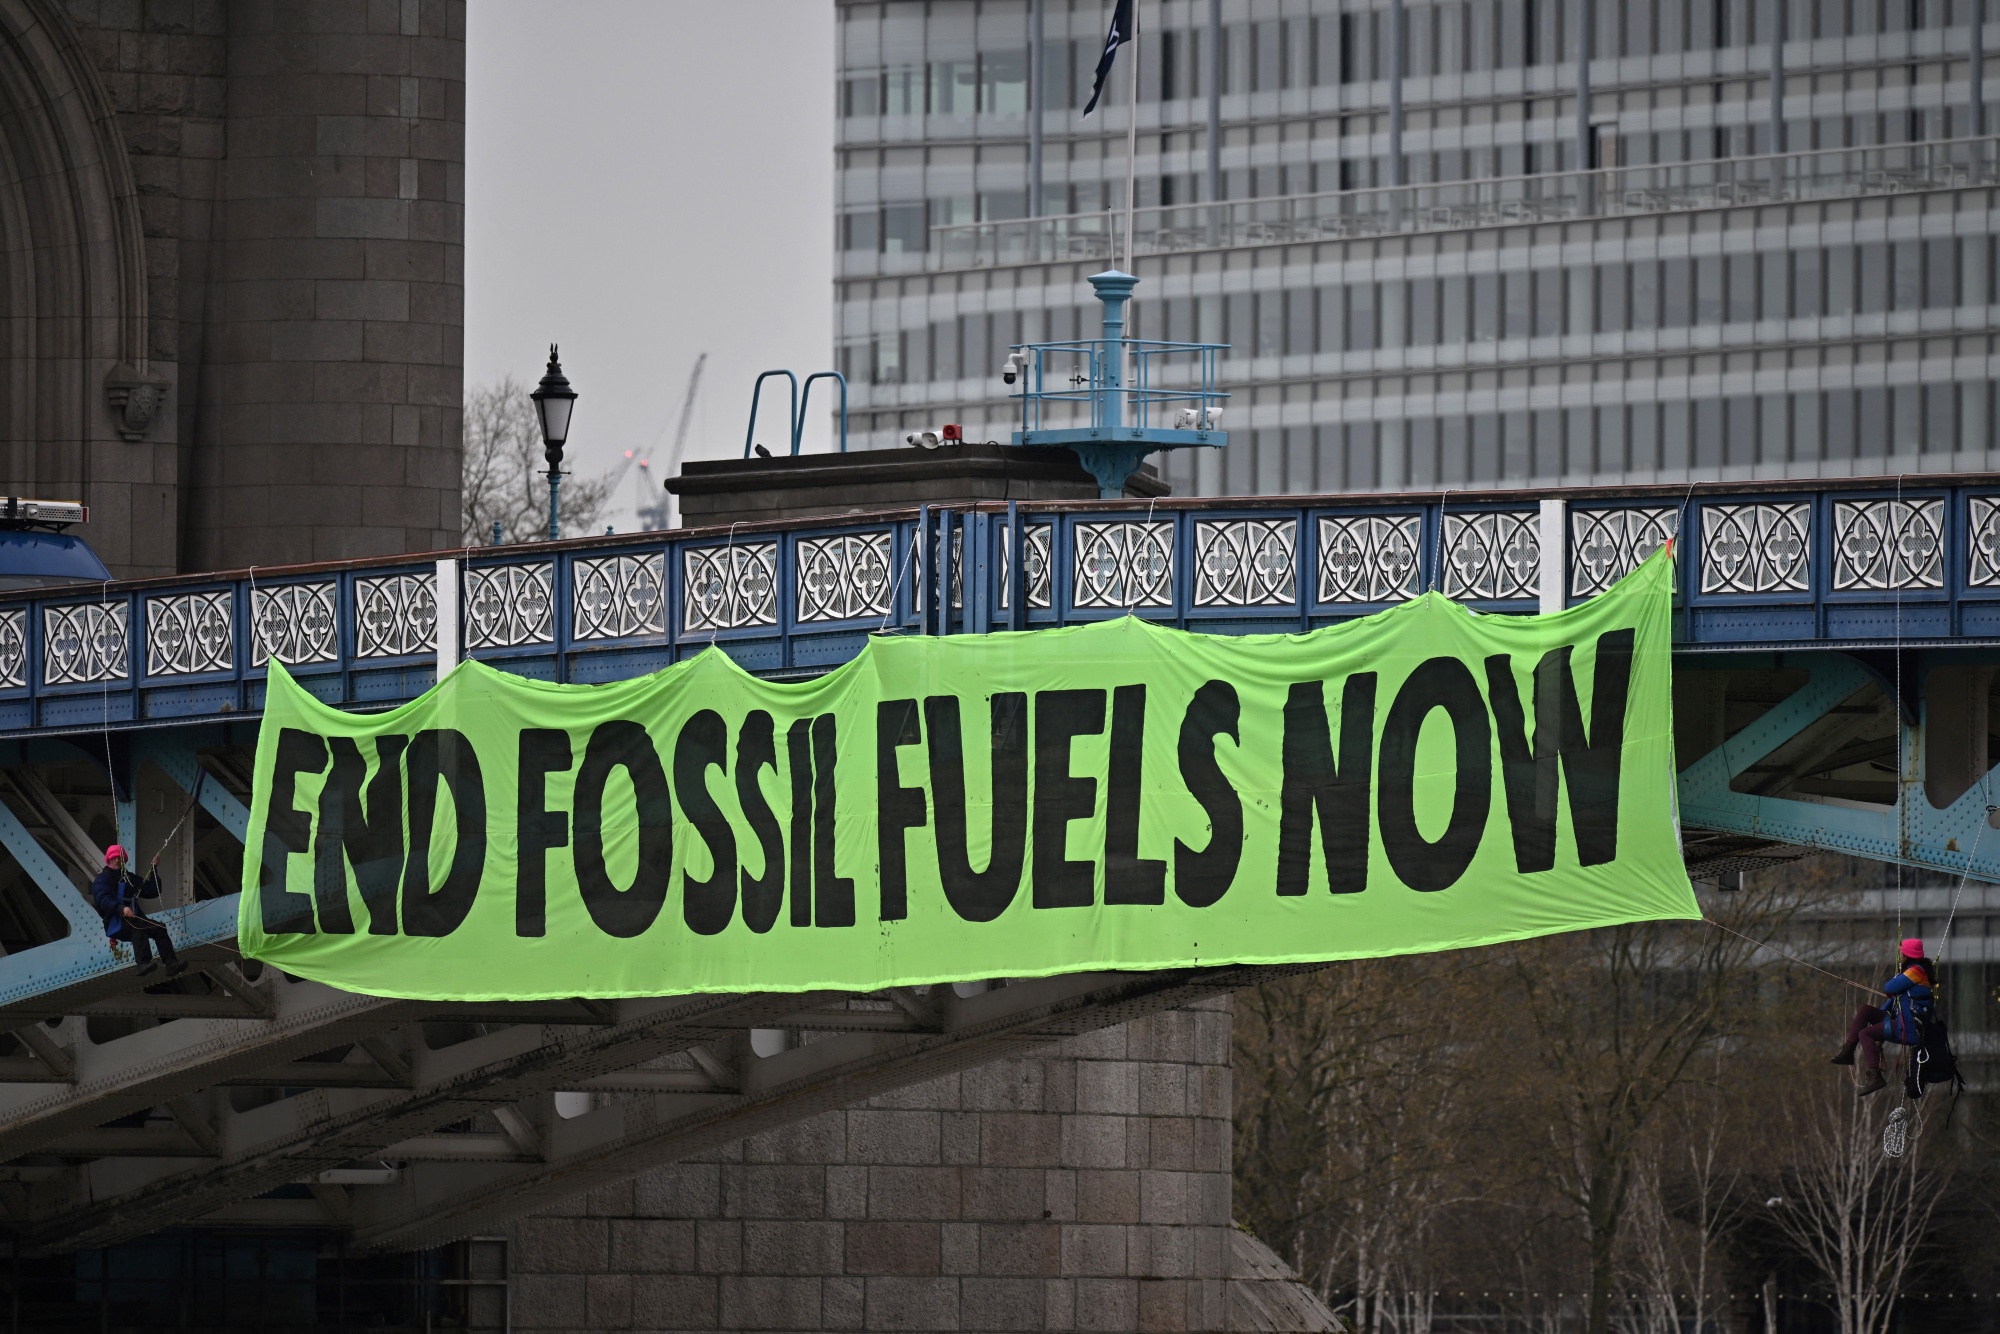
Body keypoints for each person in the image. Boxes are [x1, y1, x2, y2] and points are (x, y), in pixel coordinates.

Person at [1830, 937, 1934, 1096]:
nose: (1901, 956)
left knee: (1865, 1034)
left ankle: (1875, 1076)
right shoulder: (1916, 971)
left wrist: (1896, 984)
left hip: (1908, 1028)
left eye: (1902, 953)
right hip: (1902, 1022)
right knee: (1865, 1010)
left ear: (1907, 955)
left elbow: (1890, 986)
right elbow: (1893, 995)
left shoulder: (1916, 971)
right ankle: (1848, 1051)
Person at [89, 845, 186, 978]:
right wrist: (121, 909)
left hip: (133, 919)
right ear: (109, 860)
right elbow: (103, 900)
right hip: (117, 922)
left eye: (120, 858)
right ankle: (143, 963)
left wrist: (153, 870)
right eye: (114, 858)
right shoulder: (103, 879)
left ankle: (171, 964)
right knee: (139, 927)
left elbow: (152, 890)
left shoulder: (130, 878)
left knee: (159, 928)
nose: (117, 860)